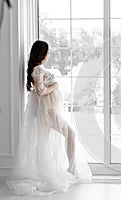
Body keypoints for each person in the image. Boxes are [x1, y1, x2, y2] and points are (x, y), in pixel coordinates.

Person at [5, 40, 92, 196]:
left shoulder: (37, 68)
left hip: (47, 110)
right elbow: (40, 91)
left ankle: (48, 171)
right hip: (48, 111)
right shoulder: (38, 69)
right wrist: (55, 86)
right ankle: (69, 169)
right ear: (42, 54)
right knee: (69, 134)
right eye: (47, 52)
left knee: (45, 142)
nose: (48, 55)